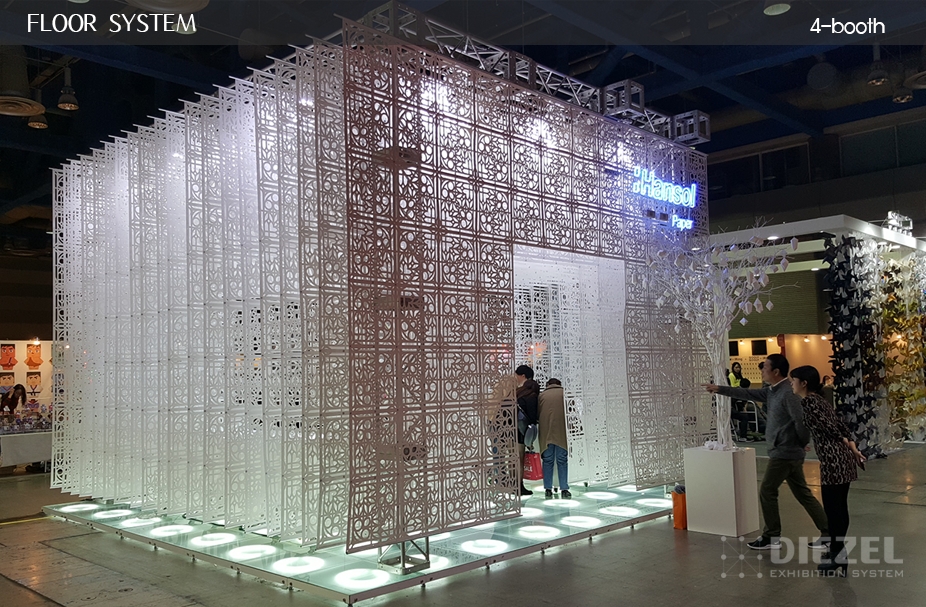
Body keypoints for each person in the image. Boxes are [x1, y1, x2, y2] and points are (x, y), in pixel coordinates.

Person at [703, 353, 829, 550]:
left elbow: (801, 422)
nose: (762, 370)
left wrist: (800, 442)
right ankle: (828, 533)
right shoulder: (773, 391)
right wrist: (720, 389)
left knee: (767, 491)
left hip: (785, 453)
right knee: (803, 494)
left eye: (765, 367)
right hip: (786, 451)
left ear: (776, 371)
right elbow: (747, 394)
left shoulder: (787, 393)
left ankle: (772, 536)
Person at [789, 365, 865, 576]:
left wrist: (846, 444)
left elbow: (831, 428)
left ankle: (838, 556)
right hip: (841, 458)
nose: (791, 384)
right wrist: (852, 448)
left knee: (833, 510)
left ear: (804, 383)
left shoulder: (809, 402)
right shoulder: (820, 400)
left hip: (833, 460)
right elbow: (841, 426)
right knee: (839, 508)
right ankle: (837, 552)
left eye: (793, 380)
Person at [537, 378, 570, 499]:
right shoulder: (565, 393)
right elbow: (572, 413)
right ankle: (564, 489)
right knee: (562, 460)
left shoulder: (542, 395)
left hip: (546, 432)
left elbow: (537, 414)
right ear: (559, 384)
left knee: (547, 460)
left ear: (548, 385)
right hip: (562, 431)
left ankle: (548, 489)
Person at [515, 365, 540, 496]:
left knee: (514, 458)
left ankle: (514, 484)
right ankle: (519, 486)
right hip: (521, 431)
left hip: (511, 428)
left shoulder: (517, 393)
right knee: (520, 458)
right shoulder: (532, 396)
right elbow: (532, 417)